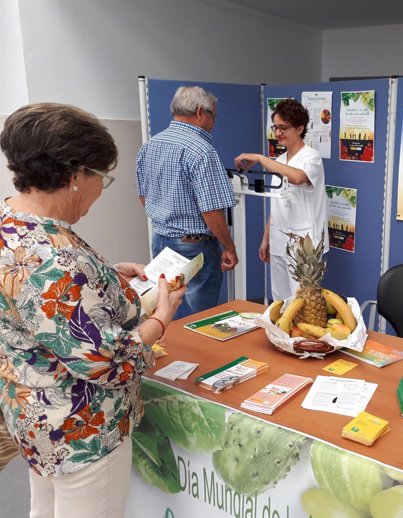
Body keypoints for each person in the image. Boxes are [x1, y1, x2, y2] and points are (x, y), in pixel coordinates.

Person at [0, 103, 186, 518]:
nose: (102, 190)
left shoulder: (10, 225)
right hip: (80, 428)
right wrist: (160, 318)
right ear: (74, 176)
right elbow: (110, 362)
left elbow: (35, 305)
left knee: (44, 509)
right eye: (101, 177)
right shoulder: (57, 259)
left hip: (31, 412)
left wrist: (104, 275)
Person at [136, 85, 238, 318]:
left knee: (166, 310)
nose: (214, 123)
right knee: (199, 317)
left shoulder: (150, 145)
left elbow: (143, 196)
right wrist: (228, 246)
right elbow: (211, 211)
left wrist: (167, 220)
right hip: (194, 245)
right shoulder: (202, 151)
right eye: (214, 116)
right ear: (201, 113)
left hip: (160, 240)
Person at [234, 99, 328, 300]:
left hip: (304, 242)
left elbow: (298, 178)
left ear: (300, 128)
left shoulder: (311, 158)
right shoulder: (279, 161)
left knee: (302, 300)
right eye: (275, 128)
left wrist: (260, 158)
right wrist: (266, 238)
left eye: (283, 128)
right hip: (278, 238)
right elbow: (277, 203)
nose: (278, 133)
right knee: (280, 299)